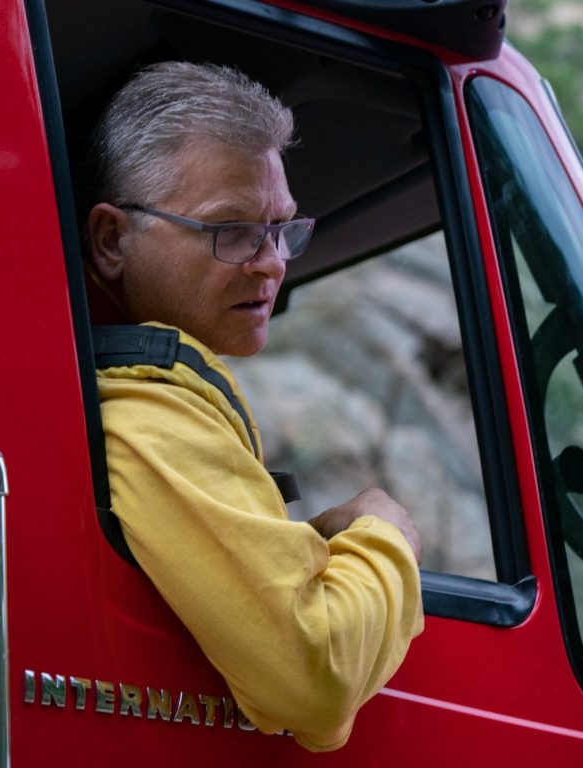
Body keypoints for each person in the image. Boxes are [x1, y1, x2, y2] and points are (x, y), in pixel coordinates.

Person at [83, 61, 424, 752]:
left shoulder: (154, 392)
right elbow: (312, 674)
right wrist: (386, 532)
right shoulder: (147, 415)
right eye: (231, 230)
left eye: (282, 228)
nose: (272, 262)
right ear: (113, 241)